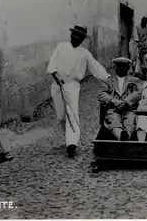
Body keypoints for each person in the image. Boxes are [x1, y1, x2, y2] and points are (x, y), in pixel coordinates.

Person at [47, 25, 110, 158]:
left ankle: (72, 144)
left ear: (82, 39)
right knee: (61, 116)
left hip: (72, 85)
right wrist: (56, 77)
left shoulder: (84, 53)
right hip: (57, 84)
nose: (76, 38)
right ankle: (68, 138)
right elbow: (52, 64)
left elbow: (95, 67)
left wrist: (107, 78)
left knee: (72, 112)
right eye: (75, 35)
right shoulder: (60, 46)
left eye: (80, 37)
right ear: (71, 35)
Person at [98, 57, 143, 141]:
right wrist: (113, 101)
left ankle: (127, 135)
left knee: (131, 119)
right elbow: (101, 94)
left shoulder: (135, 80)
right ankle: (119, 134)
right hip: (114, 108)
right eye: (119, 66)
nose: (122, 68)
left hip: (129, 108)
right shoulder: (108, 81)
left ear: (128, 67)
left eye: (124, 66)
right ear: (115, 67)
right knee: (113, 119)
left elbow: (139, 92)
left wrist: (126, 102)